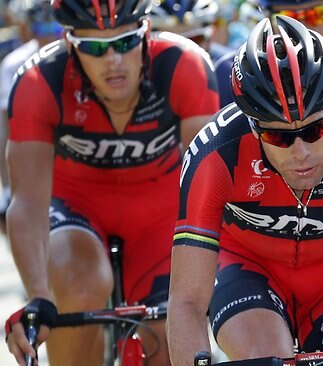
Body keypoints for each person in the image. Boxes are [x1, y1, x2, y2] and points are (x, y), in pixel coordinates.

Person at [3, 0, 219, 364]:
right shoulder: (39, 80)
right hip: (76, 206)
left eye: (124, 43)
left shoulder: (185, 64)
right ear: (71, 45)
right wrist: (39, 298)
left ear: (146, 32)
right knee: (79, 284)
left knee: (170, 335)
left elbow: (211, 185)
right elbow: (27, 201)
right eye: (95, 48)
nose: (113, 61)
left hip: (160, 209)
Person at [167, 15, 323, 365]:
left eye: (316, 129)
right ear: (252, 126)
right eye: (278, 136)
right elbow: (187, 302)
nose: (301, 152)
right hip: (249, 268)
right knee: (263, 356)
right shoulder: (216, 154)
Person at [0, 0, 63, 223]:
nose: (51, 36)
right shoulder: (13, 64)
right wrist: (8, 188)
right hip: (36, 159)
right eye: (42, 29)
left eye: (56, 28)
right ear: (28, 31)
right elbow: (7, 129)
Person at [149, 0, 220, 57]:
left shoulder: (226, 69)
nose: (184, 52)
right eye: (169, 44)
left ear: (209, 38)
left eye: (194, 40)